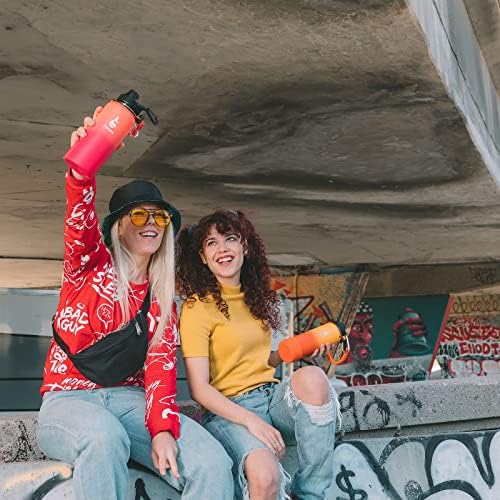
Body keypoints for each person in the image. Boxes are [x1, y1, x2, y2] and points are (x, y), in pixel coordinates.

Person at [36, 109, 234, 500]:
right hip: (69, 400)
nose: (151, 223)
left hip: (131, 402)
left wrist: (162, 429)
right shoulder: (88, 265)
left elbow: (160, 367)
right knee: (102, 437)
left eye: (159, 217)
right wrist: (82, 166)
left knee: (211, 462)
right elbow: (79, 216)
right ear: (119, 226)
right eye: (139, 215)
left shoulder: (162, 297)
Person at [176, 209, 340, 500]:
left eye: (230, 239)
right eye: (212, 243)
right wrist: (252, 421)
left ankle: (310, 494)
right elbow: (199, 389)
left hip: (271, 398)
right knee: (266, 476)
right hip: (229, 411)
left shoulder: (259, 299)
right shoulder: (196, 308)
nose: (222, 248)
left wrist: (303, 348)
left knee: (314, 378)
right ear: (202, 257)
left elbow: (267, 360)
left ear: (245, 246)